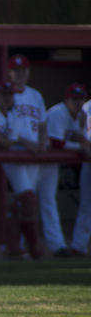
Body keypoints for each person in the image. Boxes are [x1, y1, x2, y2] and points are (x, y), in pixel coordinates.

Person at [7, 54, 58, 257]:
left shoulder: (35, 95)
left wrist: (44, 141)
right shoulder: (5, 94)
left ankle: (13, 246)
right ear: (9, 72)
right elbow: (5, 127)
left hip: (34, 154)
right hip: (15, 152)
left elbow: (43, 124)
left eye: (23, 70)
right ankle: (33, 245)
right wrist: (29, 143)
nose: (20, 74)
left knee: (26, 201)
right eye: (16, 70)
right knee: (27, 198)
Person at [0, 79, 43, 260]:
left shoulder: (12, 113)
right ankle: (29, 243)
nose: (7, 97)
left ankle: (16, 245)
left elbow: (7, 141)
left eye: (10, 94)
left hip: (5, 156)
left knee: (26, 200)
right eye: (3, 94)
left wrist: (12, 142)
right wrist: (8, 142)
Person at [45, 83, 89, 257]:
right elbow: (56, 143)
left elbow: (78, 140)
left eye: (80, 98)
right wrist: (80, 147)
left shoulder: (81, 116)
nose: (77, 102)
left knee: (47, 201)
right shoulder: (58, 112)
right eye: (74, 98)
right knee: (28, 201)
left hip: (51, 163)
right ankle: (16, 246)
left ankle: (60, 246)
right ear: (66, 99)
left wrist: (81, 141)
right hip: (38, 160)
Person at [70, 97, 91, 257]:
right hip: (88, 159)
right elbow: (76, 135)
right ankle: (79, 245)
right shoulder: (85, 107)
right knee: (86, 204)